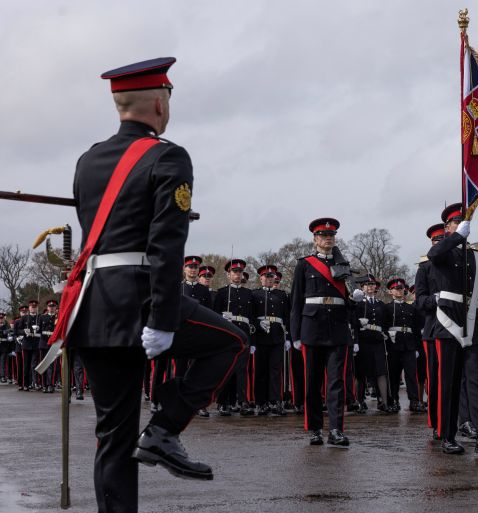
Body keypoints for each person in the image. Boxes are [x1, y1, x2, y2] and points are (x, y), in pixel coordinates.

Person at [68, 57, 247, 513]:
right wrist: (163, 317)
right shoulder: (168, 155)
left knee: (113, 435)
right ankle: (165, 429)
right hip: (140, 299)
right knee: (231, 341)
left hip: (92, 306)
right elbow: (166, 242)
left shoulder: (87, 159)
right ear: (159, 103)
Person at [421, 203, 478, 457]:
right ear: (448, 227)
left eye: (463, 222)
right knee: (448, 385)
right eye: (455, 222)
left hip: (473, 326)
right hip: (446, 326)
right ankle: (447, 435)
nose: (460, 225)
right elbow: (435, 254)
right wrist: (455, 238)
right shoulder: (442, 253)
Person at [290, 217, 359, 446]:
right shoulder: (304, 264)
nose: (327, 239)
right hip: (312, 328)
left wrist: (355, 297)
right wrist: (296, 335)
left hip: (338, 328)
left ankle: (336, 429)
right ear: (315, 239)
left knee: (336, 382)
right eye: (323, 235)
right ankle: (315, 429)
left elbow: (349, 303)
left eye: (331, 236)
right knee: (312, 381)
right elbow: (296, 303)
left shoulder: (343, 265)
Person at [415, 223, 445, 441]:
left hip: (459, 330)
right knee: (435, 380)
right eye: (436, 241)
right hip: (434, 330)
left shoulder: (459, 263)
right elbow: (419, 301)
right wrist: (434, 300)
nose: (439, 243)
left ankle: (464, 420)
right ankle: (436, 421)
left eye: (443, 239)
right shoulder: (425, 268)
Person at [213, 258, 254, 416]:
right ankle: (224, 402)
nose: (237, 275)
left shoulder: (248, 293)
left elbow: (251, 317)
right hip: (227, 332)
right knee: (227, 368)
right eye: (234, 272)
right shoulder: (222, 293)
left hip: (243, 332)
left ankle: (242, 401)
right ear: (228, 274)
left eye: (239, 272)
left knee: (242, 369)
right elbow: (215, 315)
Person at [252, 264, 291, 416]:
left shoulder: (281, 295)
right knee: (261, 371)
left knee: (276, 370)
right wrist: (257, 323)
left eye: (271, 276)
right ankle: (261, 403)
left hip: (277, 335)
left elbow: (287, 316)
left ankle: (275, 401)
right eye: (266, 276)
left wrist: (288, 337)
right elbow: (251, 315)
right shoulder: (254, 294)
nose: (269, 279)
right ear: (261, 278)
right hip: (261, 336)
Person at [354, 274, 393, 412]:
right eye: (367, 285)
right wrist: (356, 340)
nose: (370, 287)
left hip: (377, 340)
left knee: (381, 371)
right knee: (361, 372)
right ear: (362, 287)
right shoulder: (358, 303)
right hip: (364, 339)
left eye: (372, 284)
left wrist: (386, 334)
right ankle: (359, 402)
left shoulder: (380, 304)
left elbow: (386, 322)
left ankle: (384, 402)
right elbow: (352, 321)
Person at [385, 277, 423, 412]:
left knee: (411, 375)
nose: (399, 291)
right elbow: (385, 327)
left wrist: (417, 347)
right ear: (390, 291)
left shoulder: (411, 308)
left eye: (401, 288)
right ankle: (394, 400)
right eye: (396, 288)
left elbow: (417, 329)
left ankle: (414, 401)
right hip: (394, 345)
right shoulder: (387, 308)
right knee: (394, 375)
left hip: (409, 345)